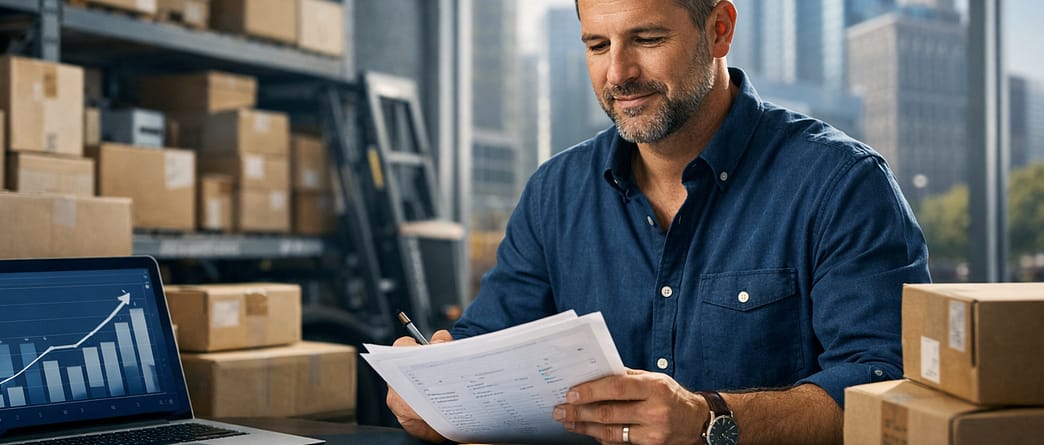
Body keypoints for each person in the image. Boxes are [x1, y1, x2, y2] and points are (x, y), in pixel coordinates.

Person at [388, 0, 931, 443]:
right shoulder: (555, 192)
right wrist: (434, 389)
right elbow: (488, 343)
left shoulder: (842, 184)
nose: (618, 73)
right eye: (598, 46)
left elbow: (882, 383)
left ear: (719, 30)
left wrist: (708, 418)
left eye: (646, 40)